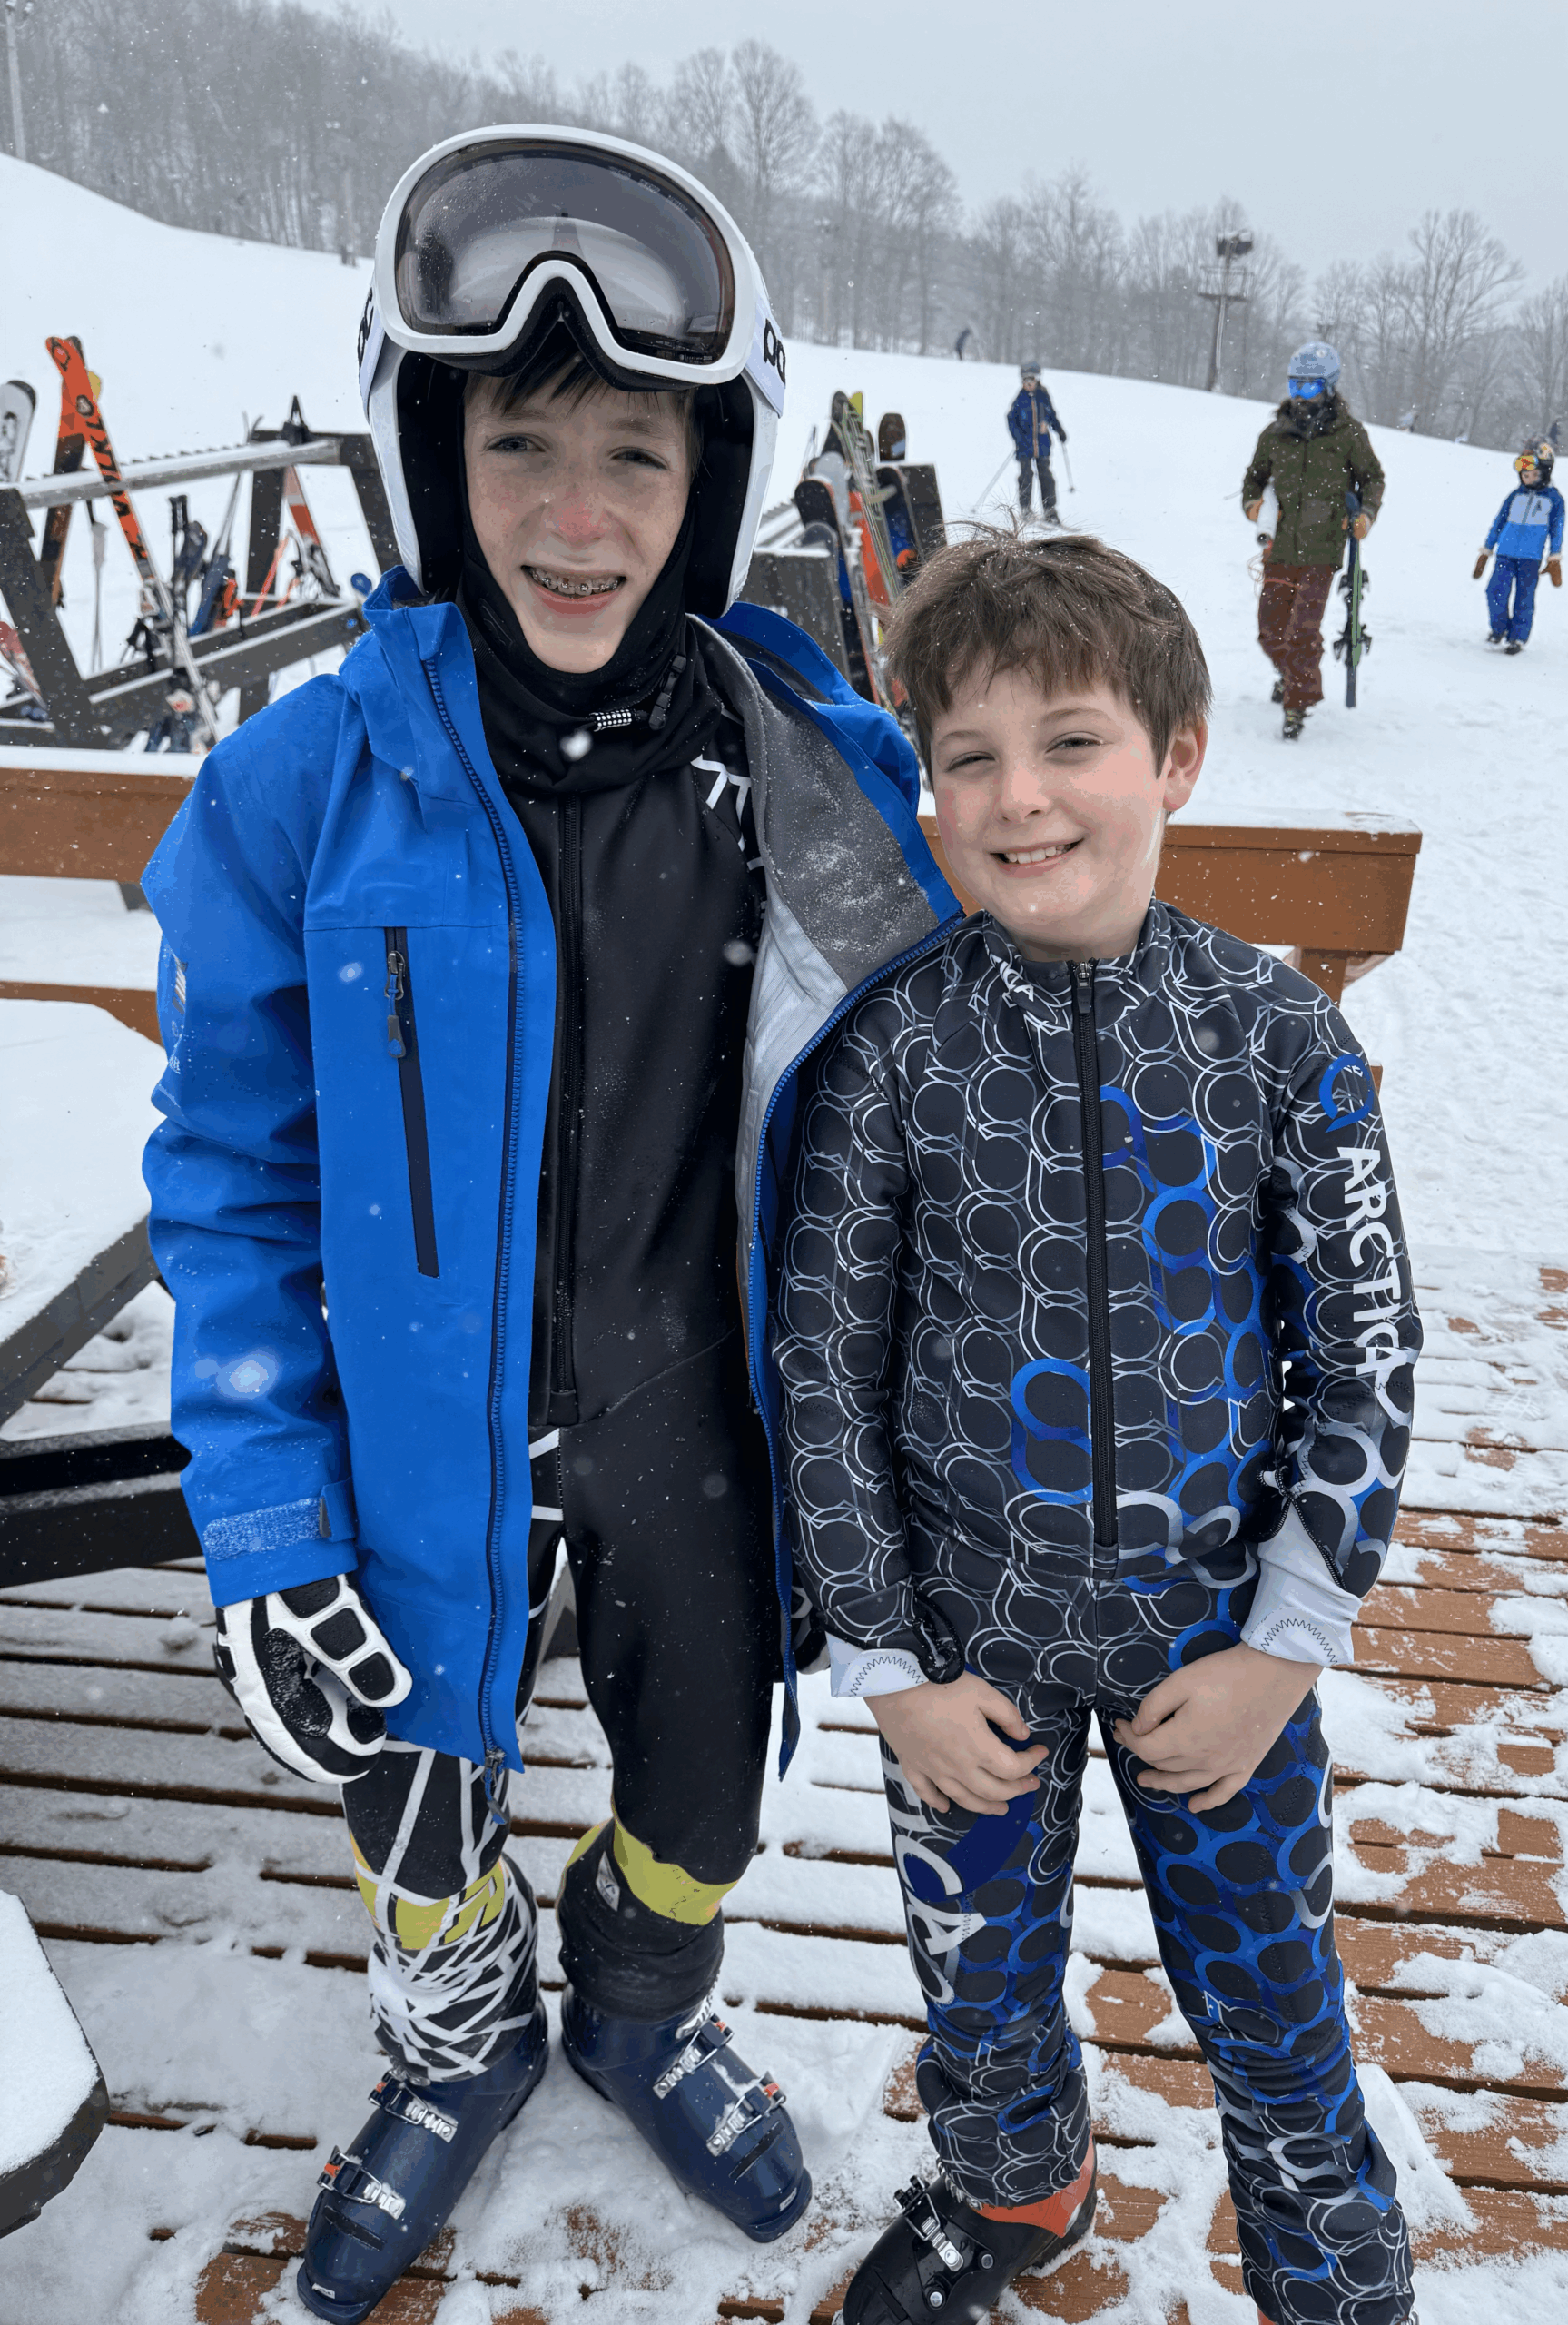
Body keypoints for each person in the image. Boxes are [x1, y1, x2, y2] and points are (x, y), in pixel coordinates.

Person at [142, 124, 960, 2323]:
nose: (579, 512)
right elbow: (227, 1181)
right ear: (434, 448)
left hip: (705, 1417)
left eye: (634, 449)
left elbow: (980, 1046)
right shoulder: (302, 789)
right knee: (417, 1775)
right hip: (427, 1439)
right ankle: (458, 2025)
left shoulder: (813, 768)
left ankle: (636, 1997)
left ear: (720, 470)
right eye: (521, 442)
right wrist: (262, 1518)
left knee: (700, 1767)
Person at [773, 526, 1421, 2325]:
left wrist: (1291, 1640)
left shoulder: (1277, 1038)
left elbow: (1364, 1343)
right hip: (967, 1658)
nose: (1019, 795)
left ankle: (1334, 2273)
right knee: (979, 1988)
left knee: (1280, 2005)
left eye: (1070, 741)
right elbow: (823, 1354)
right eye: (966, 754)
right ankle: (1016, 2191)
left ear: (1177, 755)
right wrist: (890, 1656)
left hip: (1216, 1645)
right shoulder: (893, 1055)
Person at [1240, 341, 1384, 738]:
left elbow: (1372, 478)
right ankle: (1291, 677)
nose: (1301, 395)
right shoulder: (1275, 434)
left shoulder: (1349, 434)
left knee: (1303, 630)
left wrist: (1366, 515)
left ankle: (1297, 705)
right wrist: (1253, 504)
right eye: (1295, 385)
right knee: (1270, 631)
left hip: (1323, 548)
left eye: (1310, 387)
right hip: (1280, 546)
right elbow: (1254, 477)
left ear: (1329, 386)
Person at [1474, 440, 1564, 655]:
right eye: (1525, 475)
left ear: (1545, 473)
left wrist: (1554, 557)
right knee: (1494, 591)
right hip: (1505, 554)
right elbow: (1498, 522)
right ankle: (1499, 629)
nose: (1529, 479)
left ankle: (1517, 638)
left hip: (1531, 559)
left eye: (1534, 475)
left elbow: (1557, 529)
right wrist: (1487, 550)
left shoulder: (1554, 500)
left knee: (1524, 599)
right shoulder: (1515, 496)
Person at [1006, 361, 1066, 523]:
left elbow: (1051, 415)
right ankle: (1026, 509)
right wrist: (1019, 438)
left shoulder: (1043, 396)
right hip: (1025, 446)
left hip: (1043, 445)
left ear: (1038, 380)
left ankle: (1050, 509)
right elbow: (1011, 420)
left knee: (1046, 476)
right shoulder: (1020, 399)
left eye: (1031, 380)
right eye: (1025, 381)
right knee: (1026, 476)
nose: (1028, 384)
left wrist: (1059, 430)